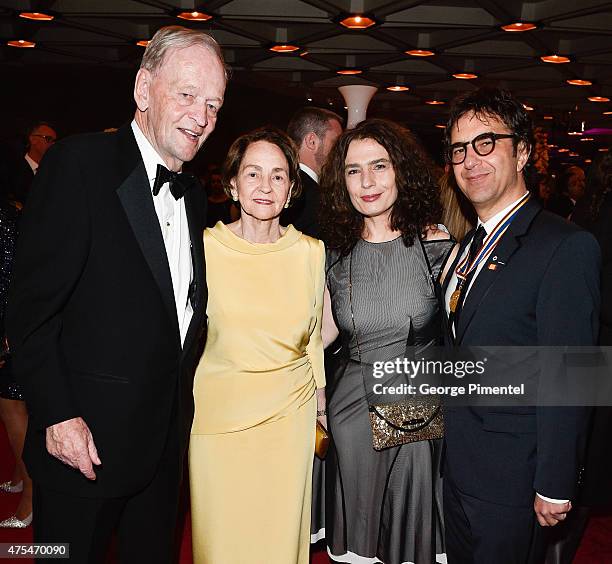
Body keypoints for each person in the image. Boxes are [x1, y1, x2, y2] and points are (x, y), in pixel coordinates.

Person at [6, 25, 226, 563]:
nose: (201, 117)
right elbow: (31, 308)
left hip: (161, 452)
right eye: (187, 95)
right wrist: (57, 415)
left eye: (214, 105)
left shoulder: (195, 195)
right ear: (143, 88)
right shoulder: (78, 165)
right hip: (83, 445)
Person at [441, 87, 600, 564]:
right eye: (459, 149)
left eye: (486, 143)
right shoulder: (468, 244)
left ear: (524, 151)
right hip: (459, 465)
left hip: (515, 475)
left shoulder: (564, 246)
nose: (471, 159)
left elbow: (570, 373)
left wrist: (554, 482)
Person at [189, 127, 326, 564]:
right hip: (216, 419)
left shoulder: (311, 252)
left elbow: (317, 336)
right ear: (232, 183)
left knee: (278, 542)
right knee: (220, 542)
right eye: (252, 174)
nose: (265, 187)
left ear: (291, 190)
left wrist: (320, 398)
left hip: (289, 419)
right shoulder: (204, 247)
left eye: (278, 176)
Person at [320, 118, 452, 564]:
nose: (368, 182)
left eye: (379, 166)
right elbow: (317, 336)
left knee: (409, 545)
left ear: (401, 171)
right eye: (354, 170)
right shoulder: (333, 256)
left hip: (414, 408)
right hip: (351, 416)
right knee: (359, 545)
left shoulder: (436, 247)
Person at [546, 150, 612, 564]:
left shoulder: (590, 209)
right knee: (587, 453)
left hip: (587, 346)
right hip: (598, 346)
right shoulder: (599, 217)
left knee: (580, 448)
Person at [0, 153, 31, 528]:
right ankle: (24, 478)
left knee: (15, 409)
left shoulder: (5, 219)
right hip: (12, 329)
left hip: (13, 332)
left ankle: (32, 497)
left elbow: (8, 283)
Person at [281, 106, 343, 238]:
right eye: (335, 143)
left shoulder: (281, 184)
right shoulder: (312, 197)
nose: (340, 152)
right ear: (312, 141)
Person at [9, 121, 57, 207]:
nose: (53, 145)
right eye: (48, 139)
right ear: (33, 139)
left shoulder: (53, 173)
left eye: (54, 141)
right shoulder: (11, 169)